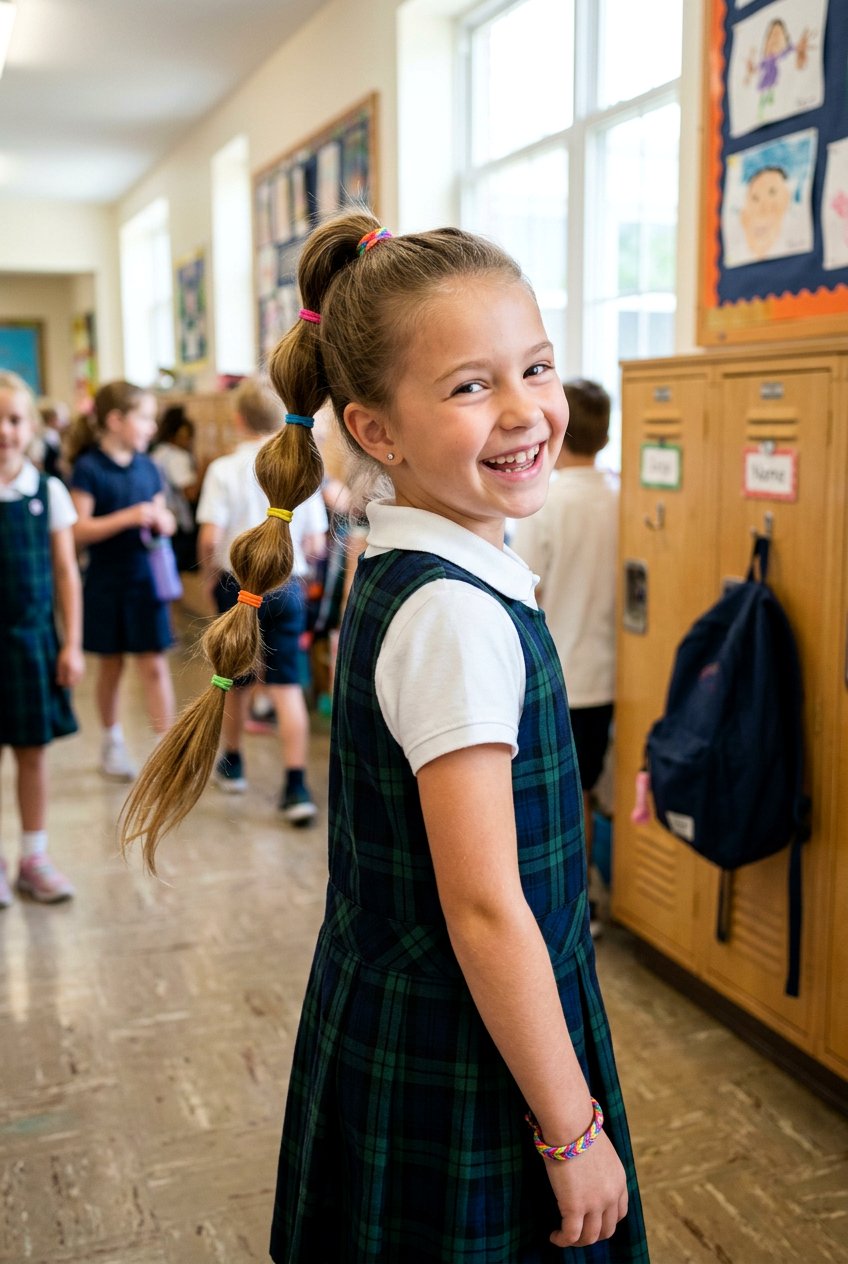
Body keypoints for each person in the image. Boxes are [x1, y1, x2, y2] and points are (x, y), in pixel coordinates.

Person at [120, 212, 648, 1262]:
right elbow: (485, 906)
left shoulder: (413, 553)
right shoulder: (453, 613)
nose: (522, 410)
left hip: (407, 1000)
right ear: (374, 431)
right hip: (467, 1040)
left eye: (534, 366)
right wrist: (571, 1126)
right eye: (467, 386)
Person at [511, 380, 618, 938]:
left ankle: (570, 901)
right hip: (615, 676)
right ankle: (592, 902)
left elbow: (523, 593)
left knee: (562, 796)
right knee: (595, 789)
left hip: (562, 676)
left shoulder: (543, 501)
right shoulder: (625, 495)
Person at [195, 375, 327, 823]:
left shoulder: (224, 469)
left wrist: (210, 575)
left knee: (234, 681)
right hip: (288, 586)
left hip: (238, 585)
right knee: (287, 686)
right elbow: (315, 543)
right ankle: (296, 786)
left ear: (237, 419)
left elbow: (209, 537)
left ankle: (233, 765)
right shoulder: (301, 465)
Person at [0, 371, 83, 905]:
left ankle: (34, 856)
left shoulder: (47, 491)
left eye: (13, 420)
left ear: (31, 427)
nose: (4, 431)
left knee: (33, 754)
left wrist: (71, 643)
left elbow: (65, 571)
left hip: (31, 645)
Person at [69, 381, 177, 780]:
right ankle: (112, 743)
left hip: (145, 581)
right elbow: (78, 530)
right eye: (145, 418)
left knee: (153, 665)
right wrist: (129, 517)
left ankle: (164, 746)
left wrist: (162, 521)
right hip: (105, 582)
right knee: (111, 667)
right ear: (115, 420)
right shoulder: (88, 468)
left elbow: (163, 515)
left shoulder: (149, 468)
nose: (152, 428)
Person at [150, 404, 203, 571]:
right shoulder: (176, 457)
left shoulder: (159, 451)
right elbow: (190, 493)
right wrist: (206, 468)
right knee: (178, 568)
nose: (188, 441)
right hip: (176, 523)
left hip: (160, 518)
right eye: (185, 437)